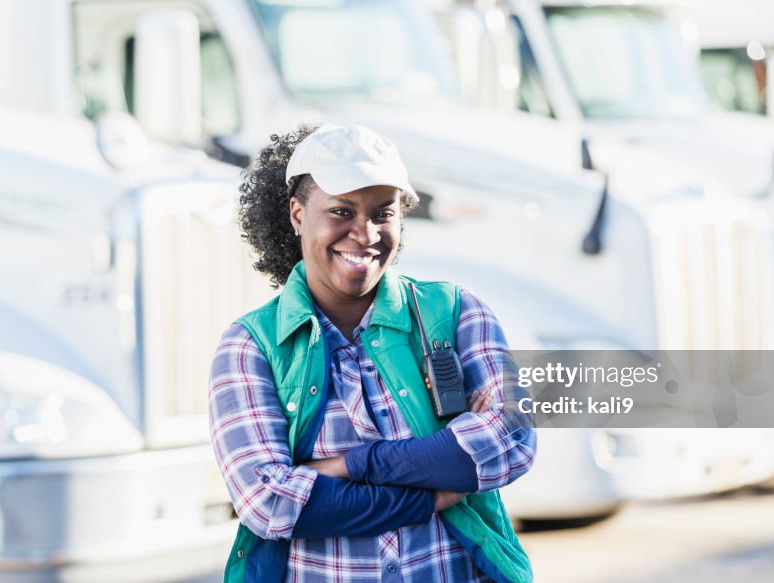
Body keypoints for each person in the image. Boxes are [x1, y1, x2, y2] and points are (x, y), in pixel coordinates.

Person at [209, 124, 536, 582]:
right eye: (342, 212)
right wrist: (436, 491)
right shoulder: (250, 347)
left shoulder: (456, 313)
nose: (365, 234)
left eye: (383, 214)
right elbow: (270, 504)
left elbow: (512, 442)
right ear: (298, 214)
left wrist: (347, 466)